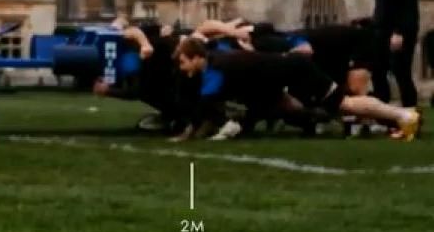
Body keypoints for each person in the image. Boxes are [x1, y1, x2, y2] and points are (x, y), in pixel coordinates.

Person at [172, 37, 421, 142]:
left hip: (296, 71)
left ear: (195, 58)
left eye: (183, 62)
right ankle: (396, 118)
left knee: (345, 104)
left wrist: (187, 135)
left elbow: (204, 106)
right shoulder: (217, 57)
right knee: (294, 109)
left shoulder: (215, 69)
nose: (182, 68)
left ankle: (404, 116)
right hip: (283, 76)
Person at [368, 0, 421, 114]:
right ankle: (383, 113)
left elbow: (406, 3)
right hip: (382, 28)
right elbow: (383, 1)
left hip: (400, 30)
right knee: (378, 70)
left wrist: (399, 32)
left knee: (401, 72)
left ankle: (410, 115)